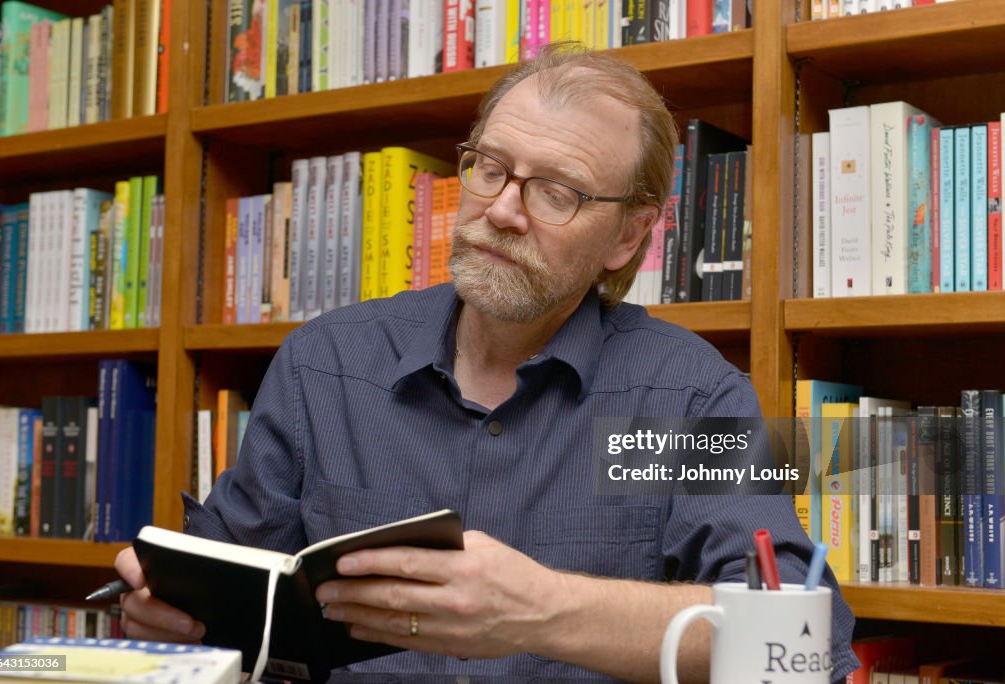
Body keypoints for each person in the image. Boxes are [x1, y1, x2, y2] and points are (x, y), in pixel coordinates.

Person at [115, 43, 858, 683]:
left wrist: (541, 612)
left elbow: (802, 641)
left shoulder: (686, 397)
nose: (502, 209)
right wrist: (168, 609)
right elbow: (228, 589)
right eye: (490, 168)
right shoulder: (328, 365)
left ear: (627, 239)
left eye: (557, 192)